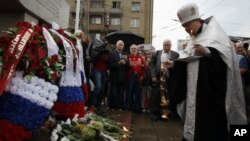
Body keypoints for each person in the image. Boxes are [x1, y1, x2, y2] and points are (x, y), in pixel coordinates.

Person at [165, 3, 247, 141]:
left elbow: (226, 63)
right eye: (184, 27)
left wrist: (209, 52)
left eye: (187, 26)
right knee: (193, 125)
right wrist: (174, 64)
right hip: (193, 91)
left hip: (210, 93)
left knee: (210, 127)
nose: (186, 30)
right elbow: (189, 59)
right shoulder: (193, 38)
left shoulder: (216, 35)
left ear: (197, 20)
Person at [150, 39, 179, 121]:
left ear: (171, 45)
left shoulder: (176, 55)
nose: (166, 46)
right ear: (162, 45)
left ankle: (164, 115)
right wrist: (153, 76)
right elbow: (151, 65)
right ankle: (154, 114)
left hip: (169, 79)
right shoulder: (157, 53)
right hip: (158, 78)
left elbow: (178, 66)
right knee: (156, 96)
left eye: (168, 45)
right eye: (164, 45)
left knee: (167, 97)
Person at [108, 40, 130, 110]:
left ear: (123, 46)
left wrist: (125, 63)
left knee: (121, 92)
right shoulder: (112, 53)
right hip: (114, 77)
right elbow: (110, 65)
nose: (121, 46)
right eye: (119, 45)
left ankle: (120, 106)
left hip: (122, 77)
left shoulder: (125, 54)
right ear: (116, 45)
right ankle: (113, 106)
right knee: (114, 92)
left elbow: (128, 66)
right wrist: (118, 63)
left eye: (122, 45)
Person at [125, 44, 145, 112]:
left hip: (138, 77)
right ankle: (128, 106)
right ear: (130, 50)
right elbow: (124, 67)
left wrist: (142, 76)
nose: (133, 50)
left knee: (137, 92)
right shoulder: (127, 57)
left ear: (137, 50)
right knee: (129, 92)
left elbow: (143, 68)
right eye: (132, 49)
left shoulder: (141, 58)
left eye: (135, 49)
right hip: (130, 77)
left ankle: (136, 107)